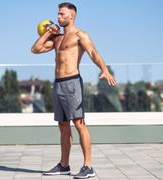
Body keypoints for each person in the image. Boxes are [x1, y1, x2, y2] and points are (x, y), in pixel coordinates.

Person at [31, 2, 117, 179]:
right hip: (58, 84)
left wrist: (105, 69)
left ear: (72, 16)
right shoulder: (57, 39)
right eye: (58, 14)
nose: (58, 17)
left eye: (62, 14)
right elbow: (35, 49)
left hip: (72, 83)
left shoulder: (80, 35)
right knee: (63, 126)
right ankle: (64, 165)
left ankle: (88, 166)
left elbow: (93, 52)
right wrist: (49, 32)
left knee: (79, 123)